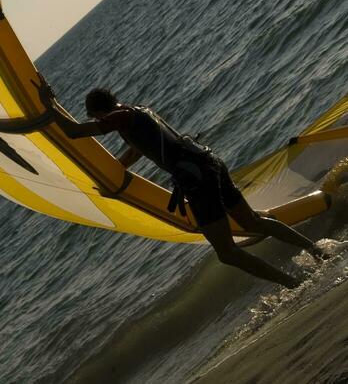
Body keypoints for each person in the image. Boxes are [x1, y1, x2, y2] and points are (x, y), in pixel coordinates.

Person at [39, 82, 329, 288]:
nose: (97, 122)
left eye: (95, 118)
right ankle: (318, 251)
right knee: (252, 221)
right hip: (208, 161)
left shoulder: (120, 117)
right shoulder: (138, 112)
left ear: (99, 113)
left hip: (196, 177)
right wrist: (111, 177)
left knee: (227, 252)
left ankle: (293, 283)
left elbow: (74, 132)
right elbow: (138, 151)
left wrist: (48, 105)